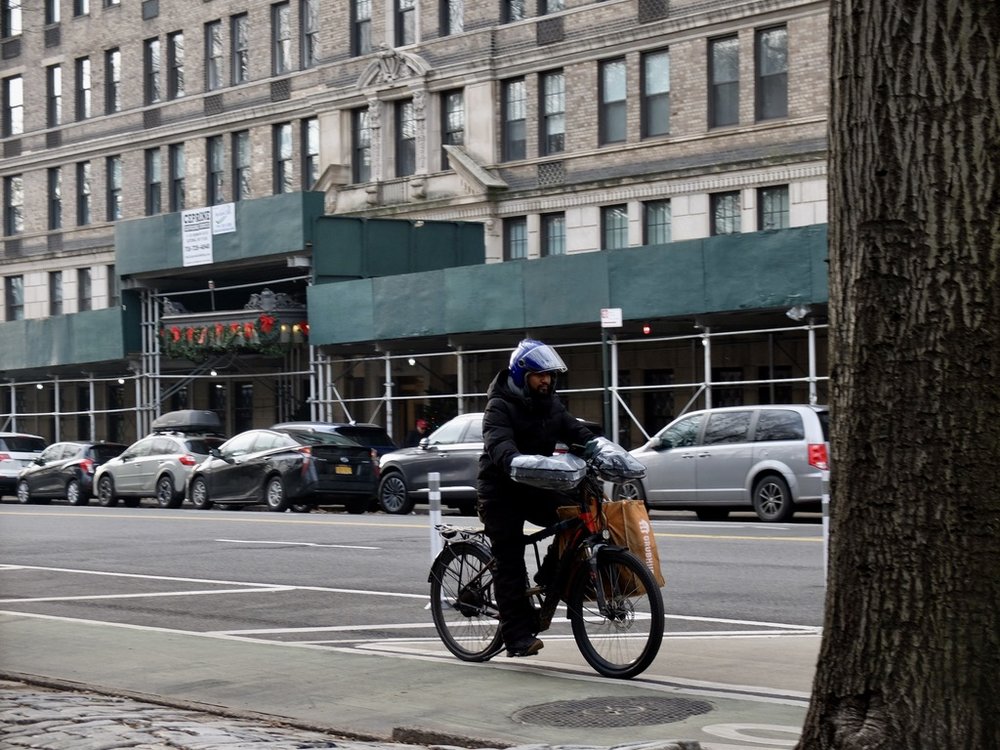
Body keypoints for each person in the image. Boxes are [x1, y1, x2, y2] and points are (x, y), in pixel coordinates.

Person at [477, 339, 597, 658]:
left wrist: (598, 448)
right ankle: (516, 636)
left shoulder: (550, 404)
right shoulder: (499, 406)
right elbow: (499, 444)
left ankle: (550, 576)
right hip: (500, 491)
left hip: (533, 485)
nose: (546, 381)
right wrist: (514, 459)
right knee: (510, 560)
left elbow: (575, 431)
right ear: (521, 375)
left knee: (574, 518)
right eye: (539, 375)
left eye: (549, 376)